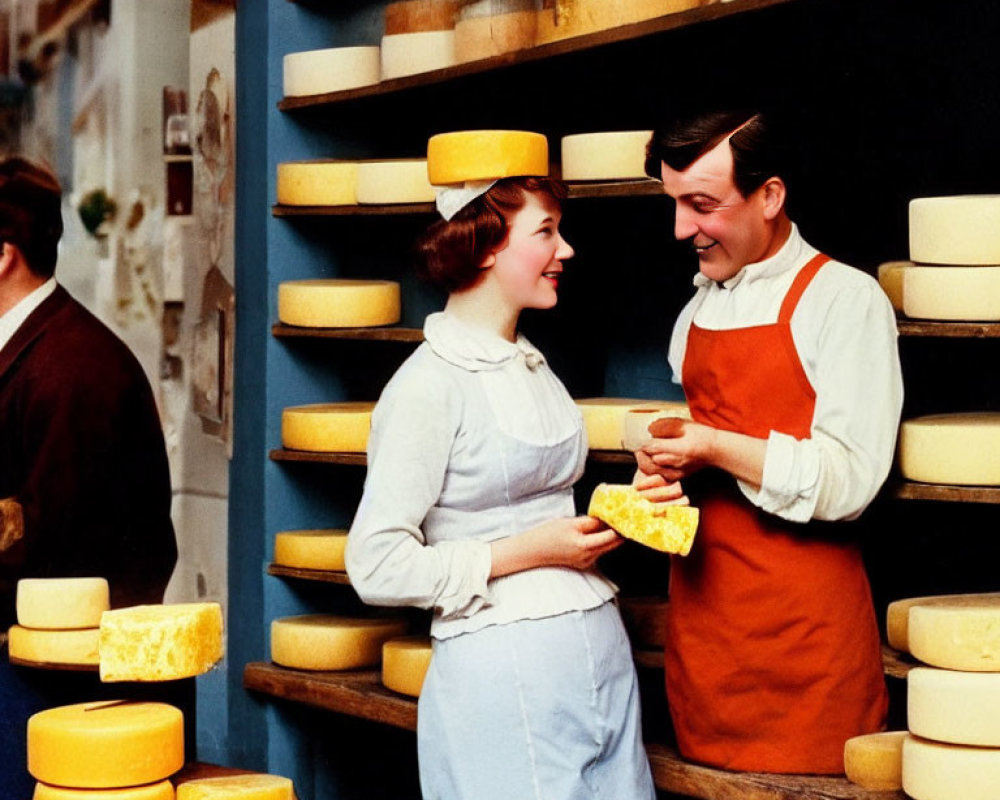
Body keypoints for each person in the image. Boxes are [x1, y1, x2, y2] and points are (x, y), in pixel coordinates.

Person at [347, 174, 672, 799]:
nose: (566, 249)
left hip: (598, 660)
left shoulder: (528, 360)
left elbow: (547, 513)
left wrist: (633, 503)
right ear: (487, 244)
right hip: (504, 679)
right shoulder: (427, 387)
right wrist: (532, 551)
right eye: (546, 231)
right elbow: (376, 566)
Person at [635, 110, 904, 774]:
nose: (681, 229)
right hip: (706, 635)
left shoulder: (845, 300)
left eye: (701, 205)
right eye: (673, 204)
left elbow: (849, 482)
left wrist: (715, 448)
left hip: (806, 645)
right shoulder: (697, 307)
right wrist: (664, 471)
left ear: (771, 195)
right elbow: (699, 451)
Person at [0, 156, 178, 799]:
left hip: (60, 686)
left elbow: (61, 556)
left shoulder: (71, 370)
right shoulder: (37, 349)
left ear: (4, 255)